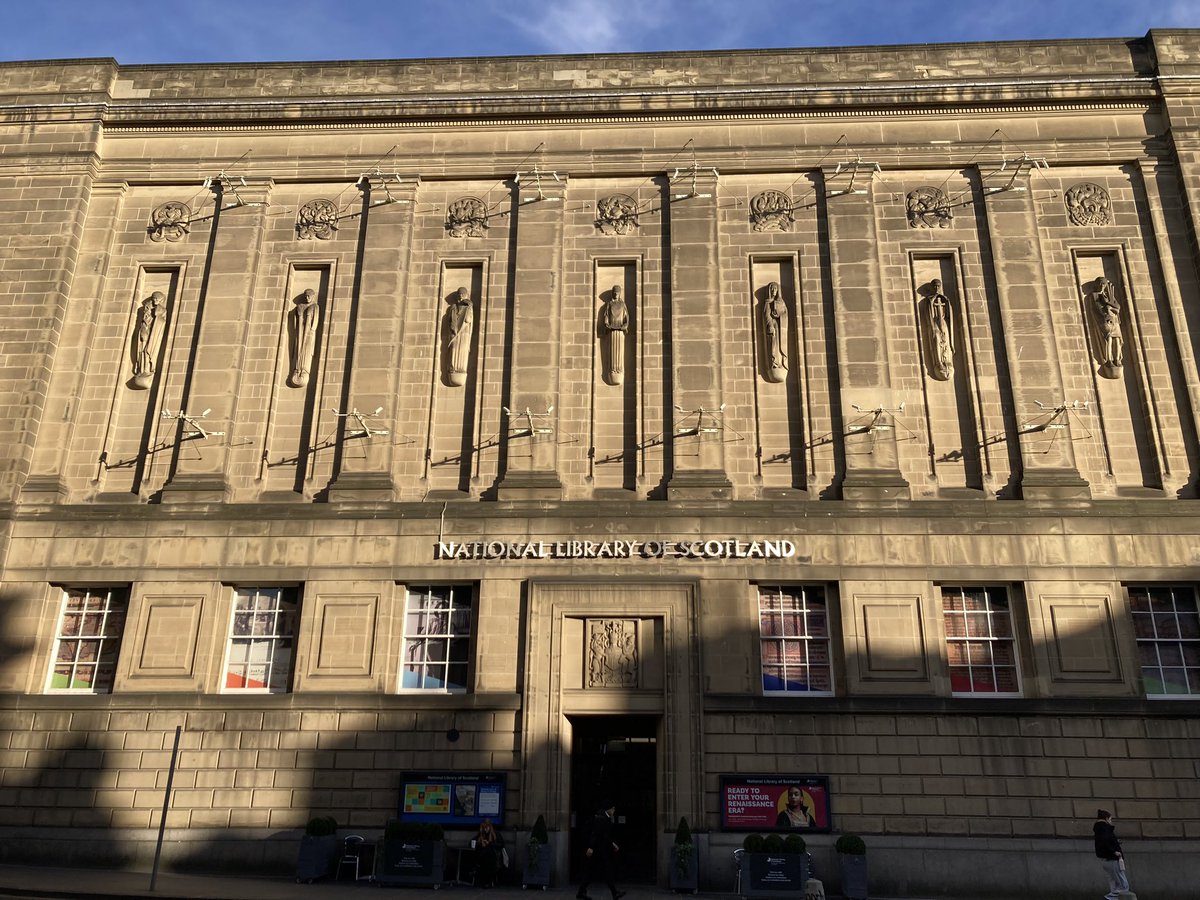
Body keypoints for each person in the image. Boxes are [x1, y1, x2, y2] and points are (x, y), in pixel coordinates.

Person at [576, 803, 625, 900]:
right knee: (602, 871)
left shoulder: (603, 817)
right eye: (613, 809)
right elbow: (596, 833)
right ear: (609, 809)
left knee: (595, 872)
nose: (614, 811)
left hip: (599, 849)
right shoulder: (601, 818)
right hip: (598, 850)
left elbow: (604, 835)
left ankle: (581, 892)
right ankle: (614, 893)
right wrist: (591, 847)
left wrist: (612, 844)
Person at [1093, 808, 1130, 900]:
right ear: (1106, 818)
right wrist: (1114, 851)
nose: (1111, 821)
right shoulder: (1105, 828)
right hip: (1112, 858)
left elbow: (1103, 841)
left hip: (1105, 859)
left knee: (1114, 885)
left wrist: (1115, 842)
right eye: (1110, 819)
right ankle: (1108, 899)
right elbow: (1106, 841)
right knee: (1123, 886)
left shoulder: (1098, 829)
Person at [473, 817, 505, 887]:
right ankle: (484, 881)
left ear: (490, 827)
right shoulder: (481, 835)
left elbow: (501, 844)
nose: (485, 829)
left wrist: (490, 844)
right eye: (484, 827)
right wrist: (480, 843)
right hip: (482, 857)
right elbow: (472, 842)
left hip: (493, 857)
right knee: (483, 858)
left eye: (487, 827)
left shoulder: (495, 834)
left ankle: (488, 881)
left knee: (488, 856)